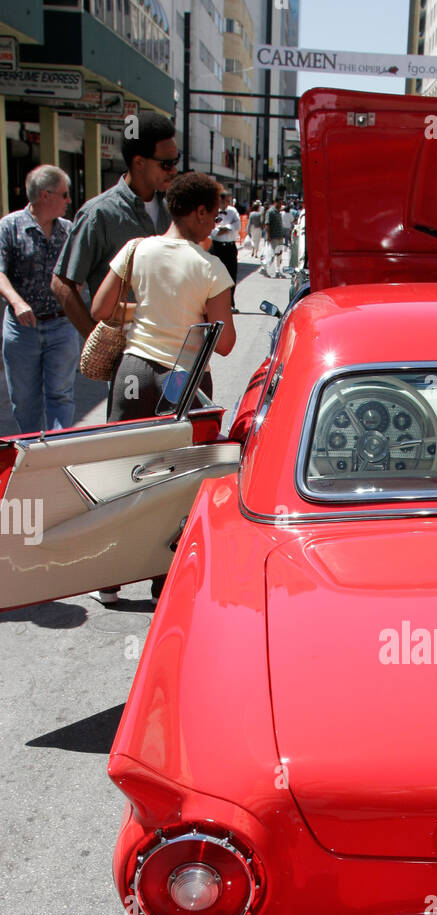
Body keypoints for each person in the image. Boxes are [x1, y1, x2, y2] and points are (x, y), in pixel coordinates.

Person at [88, 172, 236, 605]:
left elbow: (100, 308)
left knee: (121, 470)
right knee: (175, 475)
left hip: (133, 370)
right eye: (214, 214)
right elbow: (224, 344)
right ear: (198, 212)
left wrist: (146, 309)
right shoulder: (210, 267)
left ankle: (109, 578)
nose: (217, 223)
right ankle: (161, 578)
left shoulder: (136, 250)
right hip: (184, 375)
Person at [51, 111, 177, 340]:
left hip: (173, 348)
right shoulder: (99, 214)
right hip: (127, 358)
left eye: (175, 162)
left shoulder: (173, 209)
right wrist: (94, 339)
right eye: (166, 164)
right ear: (139, 162)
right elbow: (62, 283)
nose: (174, 170)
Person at [0, 165, 80, 434]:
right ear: (46, 195)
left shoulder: (68, 231)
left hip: (61, 325)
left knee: (60, 396)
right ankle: (33, 454)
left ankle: (58, 454)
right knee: (25, 401)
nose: (69, 200)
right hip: (22, 330)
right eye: (65, 194)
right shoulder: (9, 227)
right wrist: (16, 301)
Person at [209, 188, 241, 310]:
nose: (228, 203)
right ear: (220, 200)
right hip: (216, 246)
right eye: (226, 201)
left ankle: (230, 304)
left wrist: (226, 227)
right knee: (214, 275)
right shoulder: (213, 211)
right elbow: (211, 231)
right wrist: (219, 230)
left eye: (229, 201)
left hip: (229, 247)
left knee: (231, 274)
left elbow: (237, 225)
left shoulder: (232, 211)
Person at [261, 199, 284, 277]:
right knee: (271, 255)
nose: (280, 205)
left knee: (279, 254)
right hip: (273, 237)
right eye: (279, 203)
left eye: (281, 203)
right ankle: (264, 268)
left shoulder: (278, 212)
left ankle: (277, 270)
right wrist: (268, 235)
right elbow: (267, 224)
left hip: (280, 236)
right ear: (275, 202)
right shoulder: (270, 212)